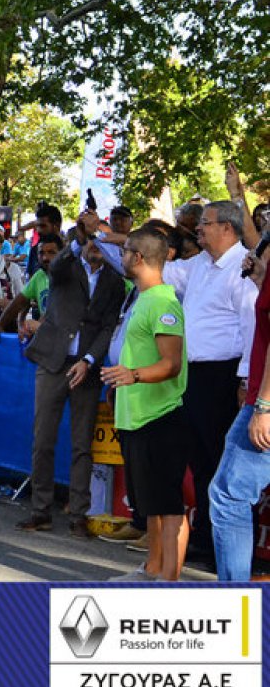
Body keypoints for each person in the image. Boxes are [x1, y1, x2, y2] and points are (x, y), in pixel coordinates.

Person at [161, 199, 258, 563]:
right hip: (194, 375)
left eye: (206, 222)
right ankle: (205, 538)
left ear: (227, 228)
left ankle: (228, 550)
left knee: (223, 463)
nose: (198, 228)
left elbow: (251, 328)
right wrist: (112, 240)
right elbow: (159, 272)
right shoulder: (200, 263)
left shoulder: (244, 267)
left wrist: (245, 380)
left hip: (224, 376)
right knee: (200, 460)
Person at [14, 226, 126, 535]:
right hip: (52, 362)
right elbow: (57, 265)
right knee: (43, 440)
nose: (95, 246)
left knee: (82, 444)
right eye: (91, 241)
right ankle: (40, 510)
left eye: (100, 243)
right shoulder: (65, 267)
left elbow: (108, 327)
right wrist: (79, 237)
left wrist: (88, 360)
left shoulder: (115, 280)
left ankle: (79, 513)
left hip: (86, 368)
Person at [99, 227, 191, 581]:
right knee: (150, 505)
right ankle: (151, 571)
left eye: (124, 251)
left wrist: (132, 375)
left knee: (168, 507)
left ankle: (169, 580)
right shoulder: (143, 298)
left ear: (137, 257)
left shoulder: (164, 303)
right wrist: (122, 383)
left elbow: (171, 364)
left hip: (159, 417)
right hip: (135, 416)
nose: (120, 256)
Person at [208, 234, 270, 581]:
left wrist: (264, 406)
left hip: (265, 403)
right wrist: (261, 280)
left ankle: (236, 599)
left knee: (228, 494)